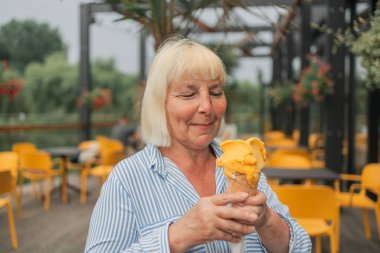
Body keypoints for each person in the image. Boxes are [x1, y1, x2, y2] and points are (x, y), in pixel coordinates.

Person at [85, 36, 311, 253]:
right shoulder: (127, 178)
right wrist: (177, 236)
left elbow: (301, 247)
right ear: (159, 104)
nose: (207, 107)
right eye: (187, 94)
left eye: (215, 92)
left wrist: (266, 220)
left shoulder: (243, 163)